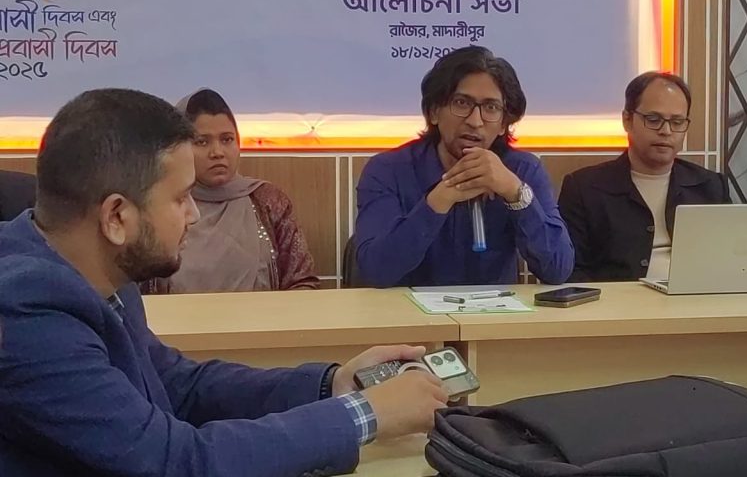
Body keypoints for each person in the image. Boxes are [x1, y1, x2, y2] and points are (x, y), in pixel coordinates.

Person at [0, 89, 448, 476]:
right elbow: (175, 461)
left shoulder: (102, 271)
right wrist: (364, 415)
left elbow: (178, 385)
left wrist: (332, 384)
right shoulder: (26, 312)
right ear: (117, 217)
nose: (194, 214)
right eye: (180, 198)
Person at [353, 46, 574, 286]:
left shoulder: (523, 170)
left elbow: (558, 269)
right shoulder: (387, 170)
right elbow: (375, 271)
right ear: (434, 112)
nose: (475, 121)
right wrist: (439, 200)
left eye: (491, 107)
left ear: (503, 124)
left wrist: (514, 192)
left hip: (494, 310)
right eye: (461, 103)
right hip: (407, 310)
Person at [144, 88, 319, 293]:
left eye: (227, 139)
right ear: (179, 148)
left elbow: (302, 283)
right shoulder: (161, 206)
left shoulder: (266, 201)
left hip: (261, 315)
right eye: (202, 142)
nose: (217, 152)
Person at [558, 72, 729, 282]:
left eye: (677, 122)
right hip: (617, 300)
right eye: (654, 120)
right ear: (627, 120)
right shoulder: (584, 188)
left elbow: (731, 261)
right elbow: (571, 271)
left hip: (694, 298)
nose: (666, 131)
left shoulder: (710, 187)